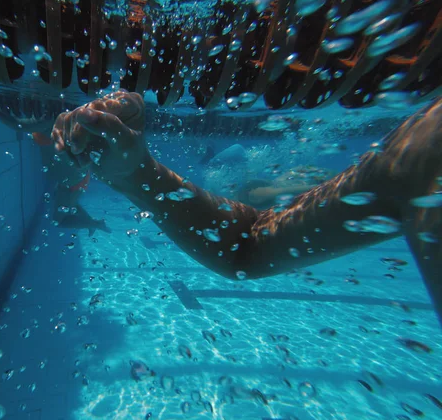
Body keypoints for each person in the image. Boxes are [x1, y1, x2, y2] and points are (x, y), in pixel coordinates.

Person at [50, 89, 442, 326]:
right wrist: (134, 173)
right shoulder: (424, 147)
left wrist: (135, 175)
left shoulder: (421, 147)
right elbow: (248, 245)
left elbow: (248, 243)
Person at [0, 92, 111, 236]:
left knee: (60, 220)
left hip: (73, 181)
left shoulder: (51, 121)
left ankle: (94, 223)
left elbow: (19, 125)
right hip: (74, 178)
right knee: (68, 203)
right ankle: (92, 223)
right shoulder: (59, 120)